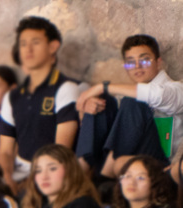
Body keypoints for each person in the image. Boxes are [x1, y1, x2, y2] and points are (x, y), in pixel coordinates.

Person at [74, 34, 174, 177]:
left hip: (160, 163)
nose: (137, 66)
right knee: (103, 102)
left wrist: (102, 87)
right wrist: (86, 109)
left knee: (134, 99)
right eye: (131, 63)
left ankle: (105, 177)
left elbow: (154, 94)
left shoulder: (175, 89)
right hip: (129, 158)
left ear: (158, 62)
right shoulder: (126, 96)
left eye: (144, 60)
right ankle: (81, 172)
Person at [0, 16, 80, 188]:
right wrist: (7, 179)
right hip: (18, 175)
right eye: (23, 44)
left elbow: (61, 152)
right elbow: (5, 152)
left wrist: (30, 185)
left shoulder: (65, 89)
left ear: (53, 46)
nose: (28, 49)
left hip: (51, 177)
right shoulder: (12, 96)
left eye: (35, 42)